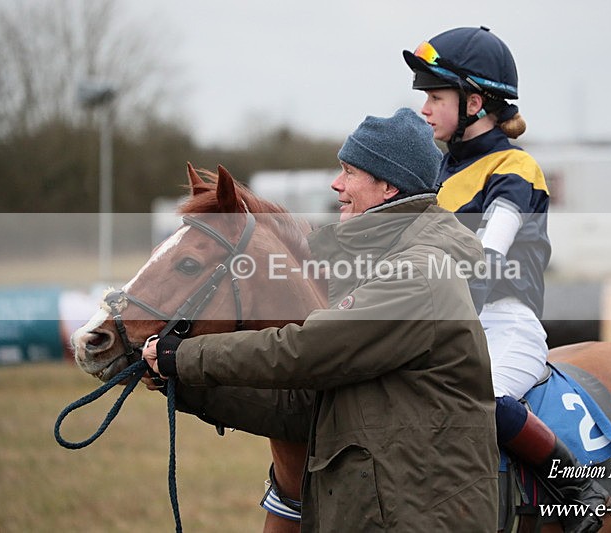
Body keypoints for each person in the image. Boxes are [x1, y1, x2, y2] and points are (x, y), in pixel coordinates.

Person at [143, 108, 499, 531]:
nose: (336, 183)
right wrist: (182, 385)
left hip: (418, 519)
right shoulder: (379, 266)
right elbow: (305, 406)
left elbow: (304, 350)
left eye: (350, 172)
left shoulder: (418, 274)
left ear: (388, 186)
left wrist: (184, 357)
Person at [403, 26, 608, 533]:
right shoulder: (438, 175)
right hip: (451, 323)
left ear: (474, 103)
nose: (424, 109)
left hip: (504, 325)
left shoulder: (515, 167)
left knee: (475, 401)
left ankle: (578, 487)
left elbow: (487, 258)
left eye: (435, 97)